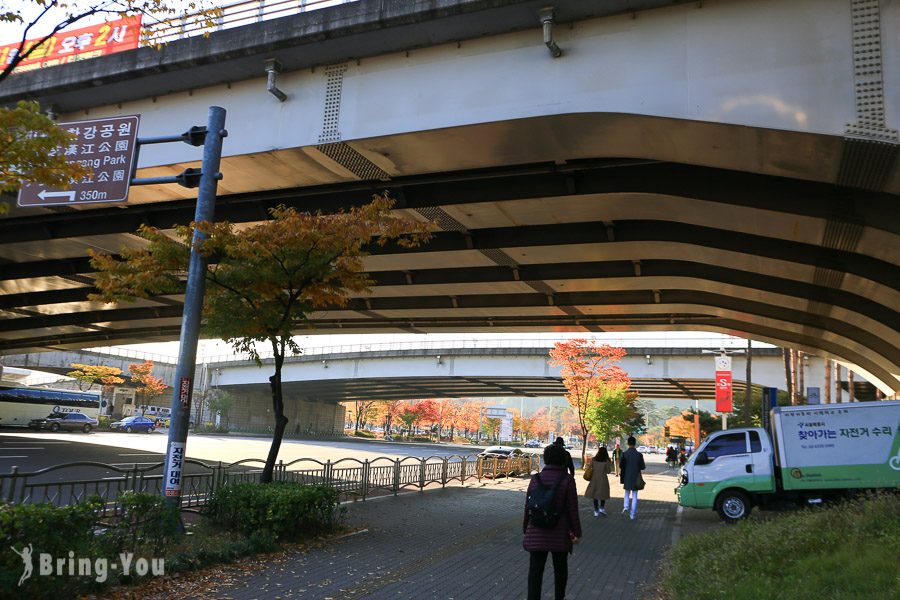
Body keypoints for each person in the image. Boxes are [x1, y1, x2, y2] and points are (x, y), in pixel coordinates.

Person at [524, 443, 582, 600]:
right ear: (562, 460)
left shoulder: (535, 479)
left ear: (546, 459)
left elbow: (527, 507)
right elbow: (572, 509)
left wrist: (526, 529)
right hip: (559, 533)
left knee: (535, 572)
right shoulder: (567, 480)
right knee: (560, 571)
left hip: (536, 531)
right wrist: (576, 532)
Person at [619, 436, 646, 520]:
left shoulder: (624, 454)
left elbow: (621, 465)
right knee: (635, 495)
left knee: (627, 492)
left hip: (627, 476)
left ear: (628, 443)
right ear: (635, 443)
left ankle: (626, 506)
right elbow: (643, 467)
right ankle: (632, 515)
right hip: (636, 477)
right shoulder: (639, 455)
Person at [584, 446, 613, 516]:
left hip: (594, 479)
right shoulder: (606, 460)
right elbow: (608, 471)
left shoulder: (594, 459)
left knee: (595, 494)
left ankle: (596, 511)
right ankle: (602, 508)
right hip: (603, 479)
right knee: (603, 494)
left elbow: (589, 467)